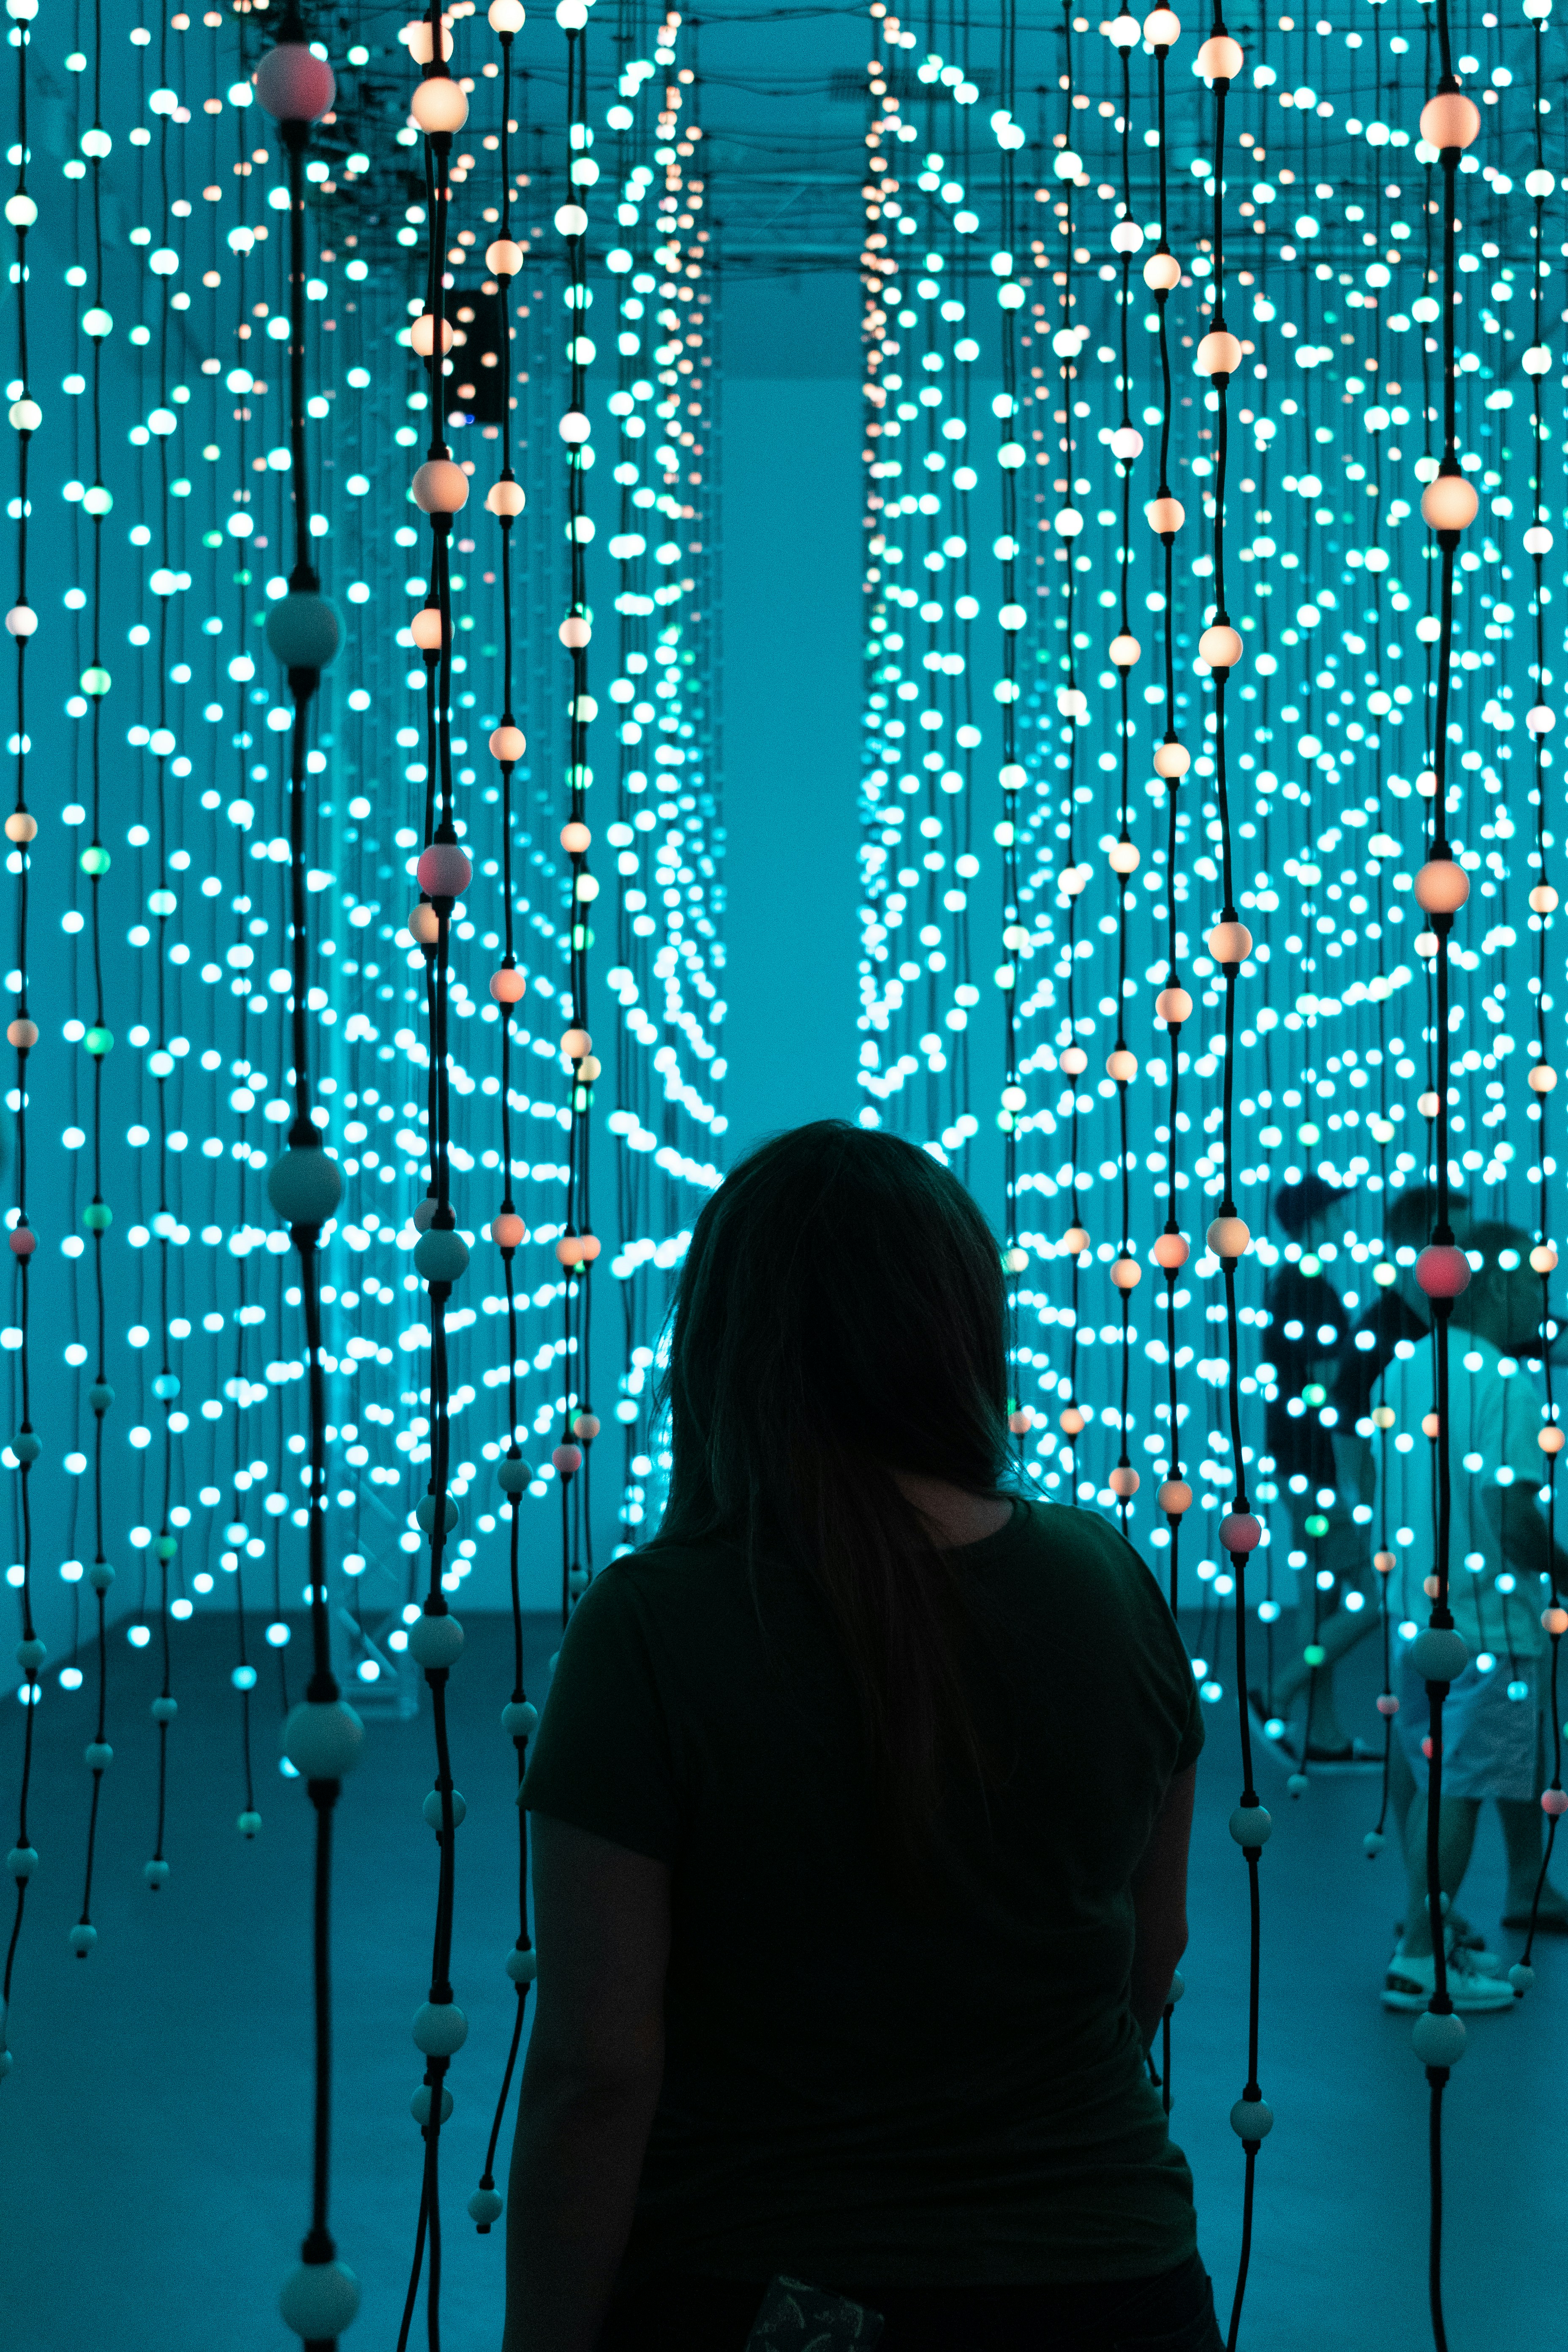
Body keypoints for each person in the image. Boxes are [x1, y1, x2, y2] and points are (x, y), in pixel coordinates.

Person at [504, 1122, 1222, 2352]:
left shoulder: (655, 1625)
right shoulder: (1108, 1582)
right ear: (961, 1331)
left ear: (725, 1342)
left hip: (779, 2301)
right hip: (1120, 2292)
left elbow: (596, 2071)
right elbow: (1147, 1964)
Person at [1377, 1223, 1568, 2014]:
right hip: (1489, 1627)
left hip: (1414, 1614)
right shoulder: (1507, 1387)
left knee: (1427, 1780)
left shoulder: (1404, 1371)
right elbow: (1512, 1518)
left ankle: (1426, 1930)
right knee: (1458, 1786)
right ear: (1492, 1286)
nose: (1541, 1299)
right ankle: (1424, 1960)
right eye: (1531, 1283)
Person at [1257, 1173, 1361, 1759]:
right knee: (1375, 1591)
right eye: (1335, 1211)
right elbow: (1329, 1389)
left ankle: (1321, 1736)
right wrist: (1351, 1474)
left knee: (1319, 1596)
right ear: (1313, 1221)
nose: (1344, 1221)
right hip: (1320, 1468)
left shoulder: (1287, 1286)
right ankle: (1279, 1692)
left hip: (1296, 1462)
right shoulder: (1313, 1292)